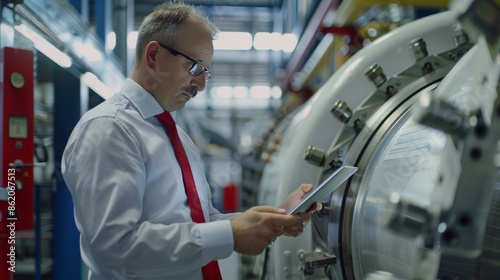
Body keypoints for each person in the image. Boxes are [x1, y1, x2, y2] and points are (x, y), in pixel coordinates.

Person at [62, 1, 321, 279]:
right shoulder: (110, 130)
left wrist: (272, 218)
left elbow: (200, 222)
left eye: (205, 72)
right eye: (195, 68)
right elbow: (114, 246)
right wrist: (230, 234)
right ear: (153, 56)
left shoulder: (176, 137)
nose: (201, 85)